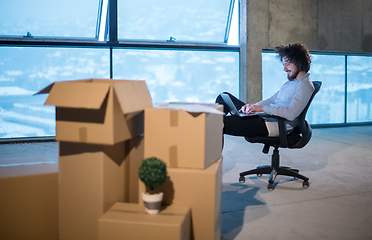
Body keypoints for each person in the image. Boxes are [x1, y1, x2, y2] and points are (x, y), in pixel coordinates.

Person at [216, 42, 315, 138]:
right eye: (284, 64)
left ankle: (214, 154)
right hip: (265, 117)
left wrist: (261, 109)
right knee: (223, 97)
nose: (284, 69)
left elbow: (291, 113)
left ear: (299, 63)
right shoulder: (291, 83)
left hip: (273, 126)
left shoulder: (305, 86)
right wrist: (253, 107)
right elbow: (272, 100)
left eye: (287, 64)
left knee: (218, 123)